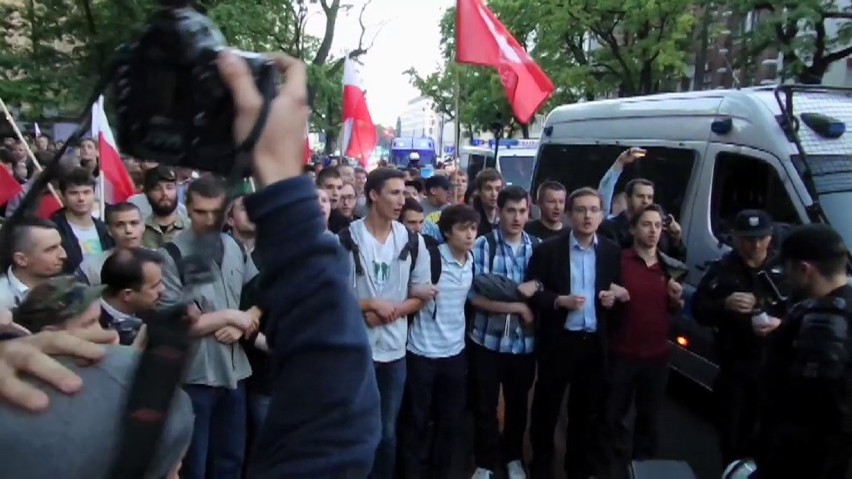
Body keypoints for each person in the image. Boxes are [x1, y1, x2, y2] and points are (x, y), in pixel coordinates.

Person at [526, 187, 626, 479]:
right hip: (559, 343)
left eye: (594, 210)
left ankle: (577, 469)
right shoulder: (548, 250)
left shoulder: (610, 251)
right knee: (546, 411)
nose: (587, 216)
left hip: (594, 344)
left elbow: (617, 288)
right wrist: (558, 301)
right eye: (580, 210)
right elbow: (533, 291)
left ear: (601, 214)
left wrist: (613, 297)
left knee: (585, 415)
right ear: (569, 215)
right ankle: (541, 467)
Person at [755, 224, 852, 478]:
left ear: (804, 269)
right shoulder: (820, 308)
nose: (784, 275)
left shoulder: (825, 324)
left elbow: (815, 413)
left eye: (787, 267)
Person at [692, 209, 785, 466]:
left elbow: (804, 309)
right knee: (733, 439)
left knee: (771, 440)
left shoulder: (784, 270)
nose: (755, 245)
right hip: (735, 369)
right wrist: (724, 304)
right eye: (747, 239)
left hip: (774, 372)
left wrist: (780, 323)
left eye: (761, 238)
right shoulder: (722, 269)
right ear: (734, 238)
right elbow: (699, 309)